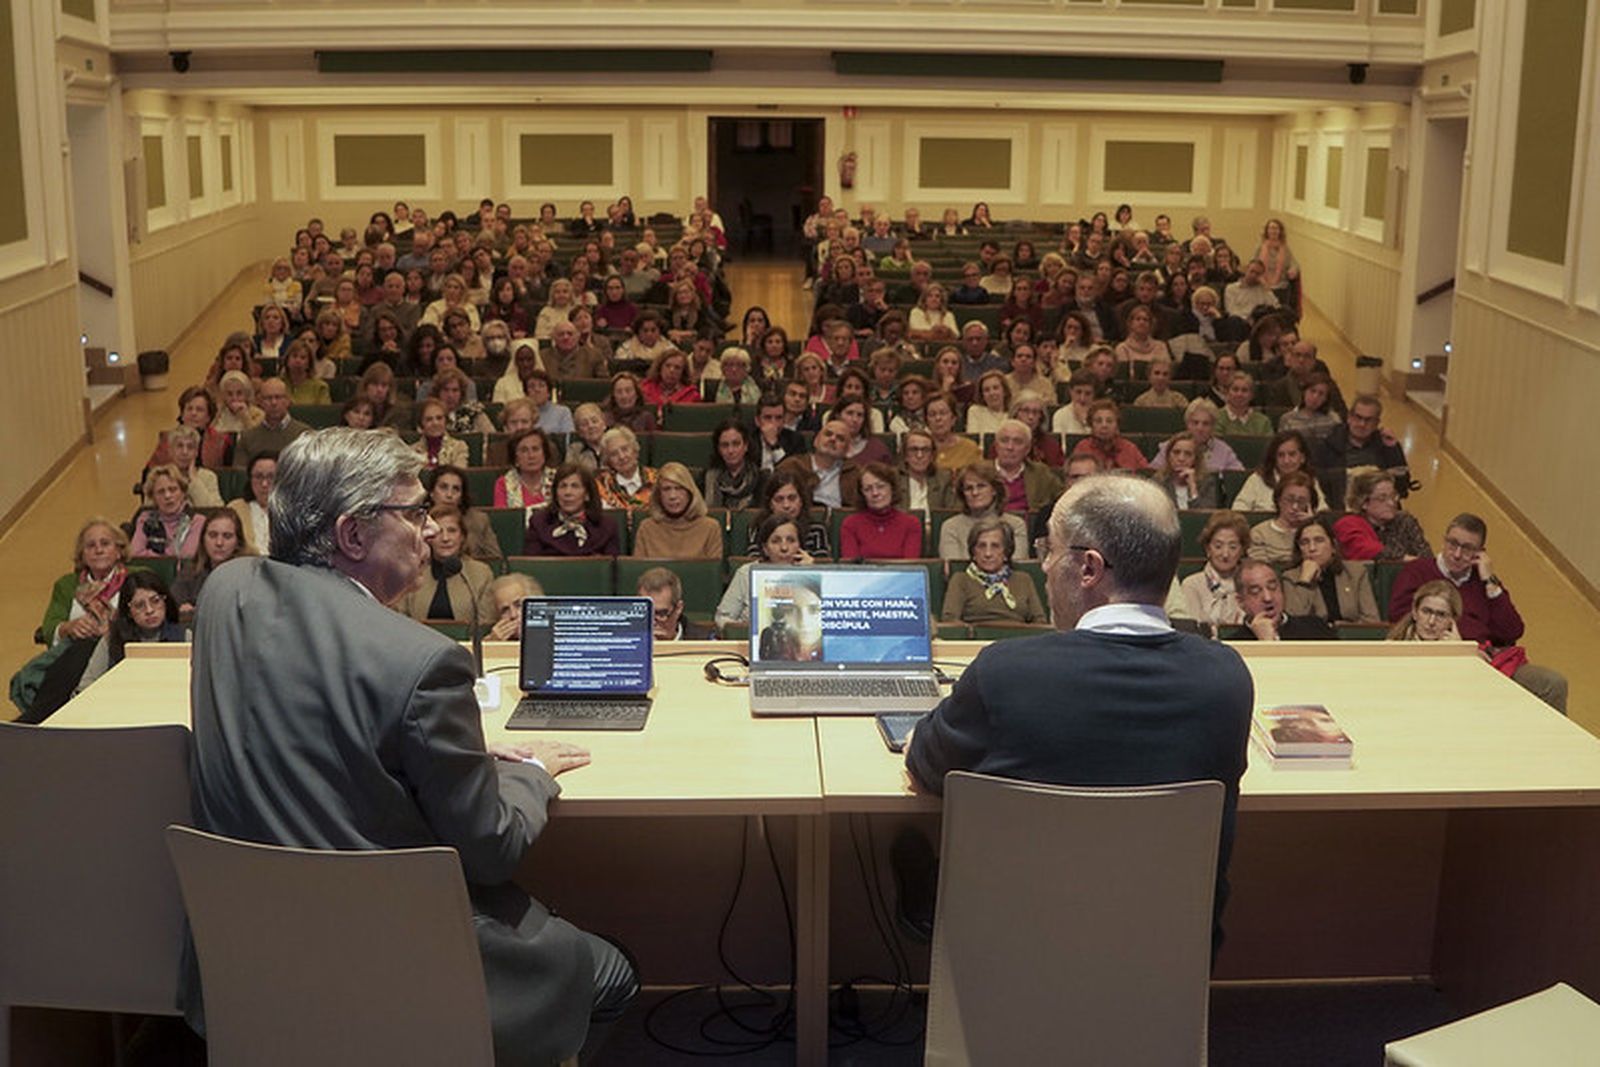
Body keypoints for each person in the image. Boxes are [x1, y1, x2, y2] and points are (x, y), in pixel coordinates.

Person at [184, 429, 636, 1063]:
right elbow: (491, 850)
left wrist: (458, 758)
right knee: (612, 974)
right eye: (415, 512)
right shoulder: (423, 661)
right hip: (390, 959)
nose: (429, 530)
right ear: (352, 534)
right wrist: (530, 771)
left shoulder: (225, 593)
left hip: (252, 956)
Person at [906, 474, 1253, 953]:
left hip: (1011, 955)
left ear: (1089, 568)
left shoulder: (1005, 673)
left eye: (1051, 547)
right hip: (1165, 957)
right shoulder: (1227, 681)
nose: (1045, 564)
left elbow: (925, 768)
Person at [1387, 514, 1568, 712]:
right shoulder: (1417, 570)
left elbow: (1512, 631)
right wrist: (1462, 647)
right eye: (1452, 543)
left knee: (1552, 684)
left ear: (1480, 553)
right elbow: (1399, 616)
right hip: (1438, 656)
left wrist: (1490, 581)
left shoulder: (1483, 580)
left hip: (1489, 661)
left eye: (1467, 549)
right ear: (1444, 540)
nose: (1456, 554)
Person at [74, 570, 188, 694]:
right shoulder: (112, 639)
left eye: (155, 601)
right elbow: (85, 688)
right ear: (128, 611)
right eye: (139, 605)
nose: (149, 610)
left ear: (165, 601)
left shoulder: (185, 638)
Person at [396, 504, 499, 625]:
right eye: (439, 531)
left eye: (452, 531)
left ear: (462, 536)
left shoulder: (481, 574)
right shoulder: (414, 572)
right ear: (428, 537)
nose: (445, 538)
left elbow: (486, 624)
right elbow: (400, 619)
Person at [715, 515, 815, 631]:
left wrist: (811, 573)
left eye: (791, 540)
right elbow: (722, 618)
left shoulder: (810, 573)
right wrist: (746, 631)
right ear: (765, 548)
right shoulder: (747, 573)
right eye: (776, 541)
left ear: (800, 546)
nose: (784, 547)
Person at [941, 517, 1046, 625]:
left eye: (995, 546)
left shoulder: (1023, 579)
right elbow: (950, 621)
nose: (988, 553)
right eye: (981, 546)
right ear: (973, 553)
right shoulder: (961, 580)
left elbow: (1040, 622)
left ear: (1006, 553)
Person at [1279, 513, 1380, 623]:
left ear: (1333, 546)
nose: (1312, 548)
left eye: (1319, 540)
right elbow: (1293, 623)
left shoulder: (1356, 573)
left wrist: (1345, 628)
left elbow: (1372, 621)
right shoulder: (1290, 577)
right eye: (1305, 542)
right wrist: (1304, 581)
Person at [1314, 394, 1411, 504]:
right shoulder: (1329, 444)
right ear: (1349, 418)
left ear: (1376, 424)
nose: (1362, 424)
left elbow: (1402, 488)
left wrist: (1393, 450)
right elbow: (1320, 484)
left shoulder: (1385, 445)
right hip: (1342, 504)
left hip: (1379, 506)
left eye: (1368, 420)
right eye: (1358, 417)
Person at [523, 463, 622, 557]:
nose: (568, 493)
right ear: (555, 493)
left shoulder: (607, 526)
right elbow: (530, 568)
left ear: (587, 494)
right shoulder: (539, 523)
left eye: (575, 486)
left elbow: (613, 570)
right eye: (563, 486)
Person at [172, 510, 251, 622]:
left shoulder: (249, 574)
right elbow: (173, 603)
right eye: (212, 535)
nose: (219, 543)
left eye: (227, 536)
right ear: (203, 539)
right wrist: (182, 609)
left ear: (238, 542)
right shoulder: (190, 572)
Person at [1334, 471, 1431, 562]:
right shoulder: (1350, 524)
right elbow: (1367, 550)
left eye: (1393, 496)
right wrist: (1404, 559)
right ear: (1363, 502)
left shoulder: (1405, 520)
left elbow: (1426, 557)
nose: (1391, 503)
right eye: (1382, 498)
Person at [632, 462, 723, 559]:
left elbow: (713, 572)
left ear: (690, 492)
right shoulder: (647, 528)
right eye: (666, 489)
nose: (673, 496)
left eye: (679, 488)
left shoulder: (710, 527)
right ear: (658, 495)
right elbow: (639, 571)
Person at [1180, 511, 1251, 630]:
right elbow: (1192, 631)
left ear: (1242, 550)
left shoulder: (1250, 582)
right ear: (1208, 549)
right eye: (1218, 546)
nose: (1225, 554)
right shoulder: (1192, 585)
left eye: (1233, 547)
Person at [1233, 558, 1335, 640]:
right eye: (1255, 592)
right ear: (1240, 601)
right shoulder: (1234, 645)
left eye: (1273, 587)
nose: (1268, 598)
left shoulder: (1316, 628)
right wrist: (1266, 643)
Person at [839, 462, 922, 560]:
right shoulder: (851, 524)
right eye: (868, 489)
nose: (875, 493)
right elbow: (852, 568)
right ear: (862, 494)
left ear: (892, 488)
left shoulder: (911, 524)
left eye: (881, 486)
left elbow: (911, 567)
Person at [1230, 430, 1326, 513]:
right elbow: (1238, 510)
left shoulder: (1311, 481)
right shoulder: (1257, 479)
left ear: (1302, 458)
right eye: (1281, 455)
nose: (1286, 460)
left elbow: (1322, 512)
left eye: (1292, 454)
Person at [776, 419, 861, 510]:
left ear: (847, 449)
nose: (832, 439)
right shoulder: (791, 466)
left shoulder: (855, 473)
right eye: (828, 434)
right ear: (816, 440)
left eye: (840, 438)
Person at [428, 465, 502, 564]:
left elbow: (495, 560)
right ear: (432, 493)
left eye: (456, 489)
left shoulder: (478, 521)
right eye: (443, 487)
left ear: (462, 496)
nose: (449, 495)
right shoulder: (417, 521)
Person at [129, 465, 204, 560]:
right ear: (153, 498)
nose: (167, 496)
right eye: (161, 492)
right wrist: (168, 555)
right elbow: (135, 553)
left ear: (183, 493)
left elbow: (186, 556)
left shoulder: (197, 521)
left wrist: (150, 554)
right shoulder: (145, 519)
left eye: (173, 490)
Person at [234, 378, 311, 469]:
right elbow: (240, 474)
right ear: (260, 402)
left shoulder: (304, 434)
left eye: (278, 397)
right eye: (268, 398)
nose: (273, 403)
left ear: (287, 400)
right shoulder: (247, 438)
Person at [1247, 470, 1318, 565]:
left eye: (1301, 501)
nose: (1295, 507)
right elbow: (1260, 569)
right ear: (1278, 500)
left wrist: (1310, 525)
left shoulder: (1315, 533)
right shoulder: (1259, 533)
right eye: (1289, 500)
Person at [638, 567, 715, 641]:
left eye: (661, 614)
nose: (652, 622)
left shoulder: (704, 641)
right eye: (645, 612)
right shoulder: (627, 640)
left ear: (678, 609)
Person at [704, 418, 764, 509]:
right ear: (718, 449)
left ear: (746, 446)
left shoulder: (760, 479)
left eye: (736, 444)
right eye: (725, 445)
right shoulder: (707, 477)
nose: (730, 451)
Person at [1072, 400, 1148, 472]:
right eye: (1098, 421)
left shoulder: (1130, 449)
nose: (1104, 425)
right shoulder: (1083, 447)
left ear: (1117, 425)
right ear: (1091, 425)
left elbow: (1146, 475)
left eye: (1109, 421)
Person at [1153, 431, 1221, 509]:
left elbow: (1204, 516)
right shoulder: (1157, 483)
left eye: (1188, 454)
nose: (1181, 458)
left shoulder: (1207, 483)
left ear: (1195, 459)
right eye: (1176, 452)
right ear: (1168, 456)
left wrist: (1193, 488)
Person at [595, 425, 657, 509]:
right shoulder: (601, 486)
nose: (621, 457)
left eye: (625, 449)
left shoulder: (657, 479)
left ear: (635, 450)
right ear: (608, 461)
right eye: (614, 454)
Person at [494, 429, 558, 510]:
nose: (531, 456)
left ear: (544, 454)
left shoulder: (558, 479)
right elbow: (502, 518)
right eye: (524, 451)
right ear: (515, 458)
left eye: (535, 449)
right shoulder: (503, 484)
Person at [1387, 580, 1465, 643]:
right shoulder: (1393, 646)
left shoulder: (1466, 654)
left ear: (1453, 619)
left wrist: (1457, 650)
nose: (1431, 622)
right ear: (1414, 612)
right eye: (1426, 612)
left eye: (1441, 615)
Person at [411, 398, 469, 470]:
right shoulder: (412, 451)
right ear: (421, 424)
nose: (435, 423)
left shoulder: (459, 447)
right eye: (429, 419)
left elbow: (457, 476)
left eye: (439, 418)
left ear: (446, 421)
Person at [486, 572, 547, 641]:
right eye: (505, 610)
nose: (513, 615)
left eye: (518, 605)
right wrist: (493, 645)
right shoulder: (494, 640)